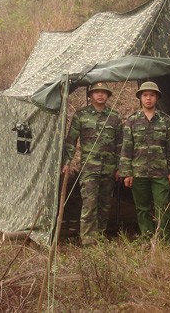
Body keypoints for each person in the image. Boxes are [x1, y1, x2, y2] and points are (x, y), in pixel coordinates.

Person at [63, 82, 122, 246]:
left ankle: (100, 238)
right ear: (90, 95)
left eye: (104, 92)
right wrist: (67, 161)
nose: (100, 95)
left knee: (104, 205)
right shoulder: (81, 116)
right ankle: (88, 241)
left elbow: (120, 144)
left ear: (108, 95)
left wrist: (119, 167)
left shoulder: (115, 117)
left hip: (109, 169)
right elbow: (71, 141)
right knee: (89, 204)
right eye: (97, 92)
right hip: (89, 169)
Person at [119, 81, 170, 243]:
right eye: (145, 95)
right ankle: (147, 237)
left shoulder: (165, 120)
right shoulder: (132, 120)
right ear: (140, 98)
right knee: (142, 208)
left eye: (152, 95)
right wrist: (127, 173)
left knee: (162, 206)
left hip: (161, 172)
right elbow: (126, 149)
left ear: (157, 98)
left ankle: (166, 238)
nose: (148, 98)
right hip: (139, 172)